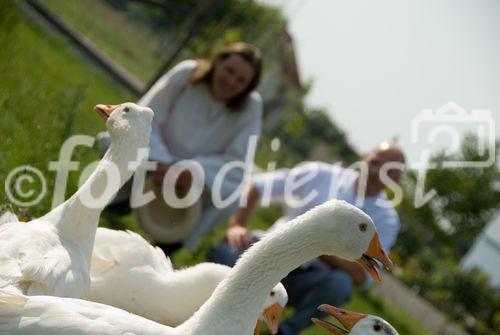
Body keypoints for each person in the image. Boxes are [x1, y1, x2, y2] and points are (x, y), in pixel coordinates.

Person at [208, 142, 405, 335]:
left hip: (307, 278)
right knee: (223, 255)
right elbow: (259, 185)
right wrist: (237, 226)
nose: (376, 172)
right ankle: (219, 309)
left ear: (395, 181)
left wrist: (319, 246)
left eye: (388, 171)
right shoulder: (319, 174)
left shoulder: (387, 220)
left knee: (340, 284)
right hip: (270, 255)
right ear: (364, 158)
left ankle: (284, 331)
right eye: (375, 163)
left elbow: (363, 277)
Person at [103, 43, 263, 254]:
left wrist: (190, 170)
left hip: (194, 178)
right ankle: (117, 199)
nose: (231, 81)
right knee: (109, 142)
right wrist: (165, 163)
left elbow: (237, 162)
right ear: (217, 62)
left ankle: (169, 243)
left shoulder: (250, 107)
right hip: (155, 156)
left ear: (249, 86)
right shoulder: (188, 73)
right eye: (229, 70)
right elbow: (146, 116)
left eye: (241, 80)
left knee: (232, 198)